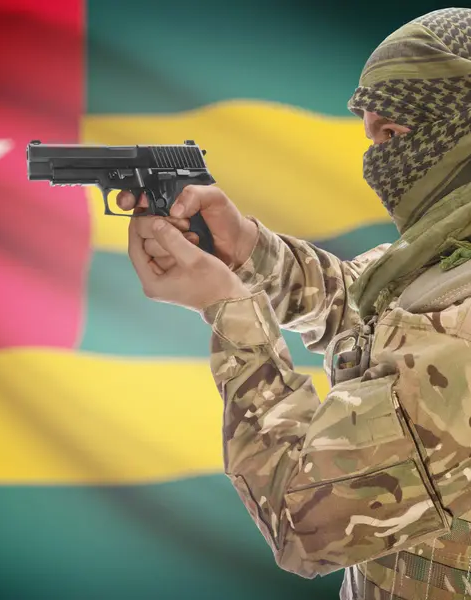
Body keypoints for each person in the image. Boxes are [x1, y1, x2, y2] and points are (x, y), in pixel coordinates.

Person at [116, 7, 471, 599]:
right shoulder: (448, 257)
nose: (377, 159)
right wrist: (249, 250)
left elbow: (305, 522)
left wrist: (229, 310)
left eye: (393, 134)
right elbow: (371, 311)